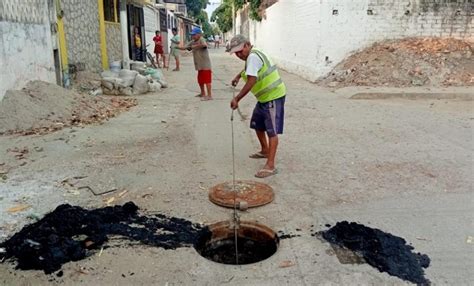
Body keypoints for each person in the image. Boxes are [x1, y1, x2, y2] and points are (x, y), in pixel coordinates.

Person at [228, 35, 286, 178]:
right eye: (236, 53)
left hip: (273, 96)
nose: (239, 55)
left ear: (248, 45)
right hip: (264, 98)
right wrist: (238, 76)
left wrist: (237, 98)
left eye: (240, 51)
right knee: (258, 125)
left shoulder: (253, 57)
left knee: (272, 131)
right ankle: (265, 150)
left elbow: (252, 80)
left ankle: (270, 165)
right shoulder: (253, 55)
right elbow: (248, 70)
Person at [178, 27, 212, 100]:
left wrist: (195, 46)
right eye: (192, 35)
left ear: (199, 34)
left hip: (205, 65)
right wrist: (177, 47)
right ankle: (202, 93)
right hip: (199, 65)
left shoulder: (201, 39)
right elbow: (185, 47)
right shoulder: (193, 41)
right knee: (200, 80)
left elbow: (204, 45)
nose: (193, 36)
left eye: (194, 35)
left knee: (207, 80)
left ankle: (209, 96)